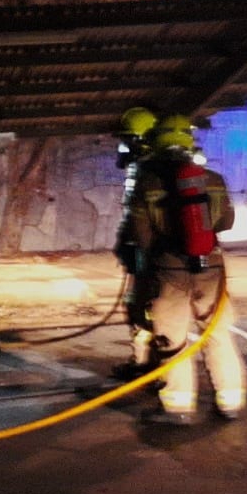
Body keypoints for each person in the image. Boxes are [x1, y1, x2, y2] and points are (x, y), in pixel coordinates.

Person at [125, 114, 246, 424]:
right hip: (212, 267)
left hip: (170, 271)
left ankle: (179, 408)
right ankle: (230, 401)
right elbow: (226, 222)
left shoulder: (147, 183)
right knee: (218, 335)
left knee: (173, 338)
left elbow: (140, 236)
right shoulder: (213, 179)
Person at [112, 106, 158, 378]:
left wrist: (127, 243)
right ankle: (144, 360)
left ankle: (150, 365)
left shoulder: (147, 169)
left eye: (128, 138)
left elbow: (138, 214)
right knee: (138, 304)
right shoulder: (139, 166)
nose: (124, 145)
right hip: (141, 248)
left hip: (147, 251)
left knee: (145, 306)